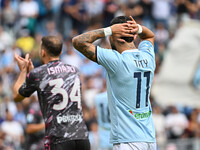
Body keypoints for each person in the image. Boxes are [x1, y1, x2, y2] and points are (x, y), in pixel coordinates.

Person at [72, 16, 156, 150]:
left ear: (112, 38)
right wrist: (138, 28)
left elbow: (77, 41)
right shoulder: (148, 56)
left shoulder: (116, 61)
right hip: (150, 138)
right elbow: (150, 36)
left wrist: (108, 30)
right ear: (134, 37)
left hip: (128, 140)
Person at [13, 36, 90, 150]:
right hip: (82, 137)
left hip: (58, 139)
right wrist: (33, 75)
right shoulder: (75, 71)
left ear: (43, 52)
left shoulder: (38, 74)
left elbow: (16, 97)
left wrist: (24, 71)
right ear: (60, 51)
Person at [94, 80, 112, 150]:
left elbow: (95, 113)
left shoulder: (97, 97)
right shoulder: (115, 97)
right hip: (115, 132)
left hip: (102, 130)